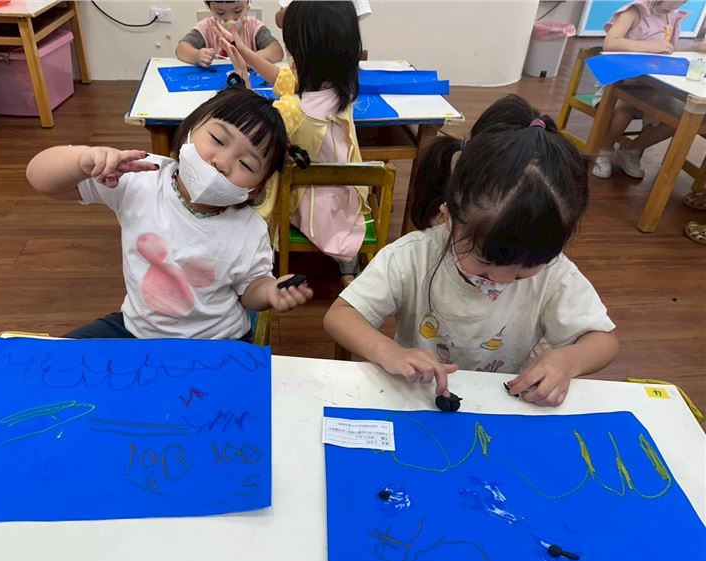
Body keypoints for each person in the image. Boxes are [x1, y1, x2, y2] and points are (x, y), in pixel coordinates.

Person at [324, 95, 619, 407]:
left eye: (523, 272)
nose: (501, 281)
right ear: (449, 217)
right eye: (486, 264)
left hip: (503, 403)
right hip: (418, 398)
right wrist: (390, 353)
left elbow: (604, 341)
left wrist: (568, 361)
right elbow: (340, 316)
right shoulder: (412, 257)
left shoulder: (554, 272)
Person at [26, 86, 313, 340]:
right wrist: (82, 160)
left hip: (217, 340)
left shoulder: (249, 229)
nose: (222, 162)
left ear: (255, 189)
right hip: (137, 330)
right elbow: (41, 180)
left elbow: (250, 289)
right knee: (58, 362)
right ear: (189, 128)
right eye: (217, 139)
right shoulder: (141, 176)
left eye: (246, 165)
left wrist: (270, 291)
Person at [221, 1, 368, 286]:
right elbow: (282, 78)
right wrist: (245, 51)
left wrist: (242, 79)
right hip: (344, 199)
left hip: (308, 202)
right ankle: (348, 266)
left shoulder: (292, 111)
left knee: (244, 175)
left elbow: (252, 129)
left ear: (300, 53)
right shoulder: (342, 90)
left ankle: (253, 260)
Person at [593, 1, 706, 179]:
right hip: (619, 83)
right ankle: (603, 151)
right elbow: (610, 43)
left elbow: (666, 51)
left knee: (679, 118)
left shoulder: (671, 17)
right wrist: (649, 46)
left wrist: (693, 48)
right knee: (623, 112)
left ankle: (631, 150)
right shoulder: (635, 11)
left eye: (683, 1)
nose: (676, 6)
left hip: (652, 87)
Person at [176, 1, 283, 67]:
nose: (229, 19)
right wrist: (197, 56)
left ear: (248, 6)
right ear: (210, 9)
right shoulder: (206, 27)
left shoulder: (255, 27)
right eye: (220, 12)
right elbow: (181, 48)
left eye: (237, 11)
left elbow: (277, 51)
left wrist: (251, 59)